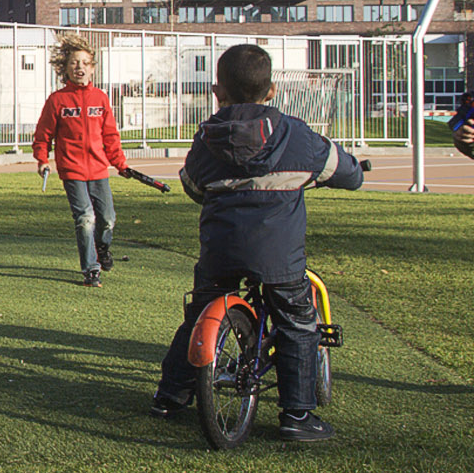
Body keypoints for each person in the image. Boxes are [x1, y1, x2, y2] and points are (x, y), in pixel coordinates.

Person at [151, 40, 365, 446]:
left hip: (221, 250)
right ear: (271, 91)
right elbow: (345, 171)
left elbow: (194, 186)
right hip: (277, 254)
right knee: (298, 321)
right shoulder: (293, 134)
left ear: (219, 93)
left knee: (198, 314)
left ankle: (171, 395)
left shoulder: (206, 139)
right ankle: (297, 414)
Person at [31, 38, 129, 285]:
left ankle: (102, 247)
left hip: (98, 170)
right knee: (85, 218)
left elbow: (110, 136)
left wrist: (120, 163)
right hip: (72, 171)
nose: (80, 67)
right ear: (65, 68)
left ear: (93, 68)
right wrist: (42, 159)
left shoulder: (101, 98)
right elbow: (43, 135)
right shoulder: (57, 101)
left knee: (107, 219)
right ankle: (91, 269)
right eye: (74, 63)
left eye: (85, 62)